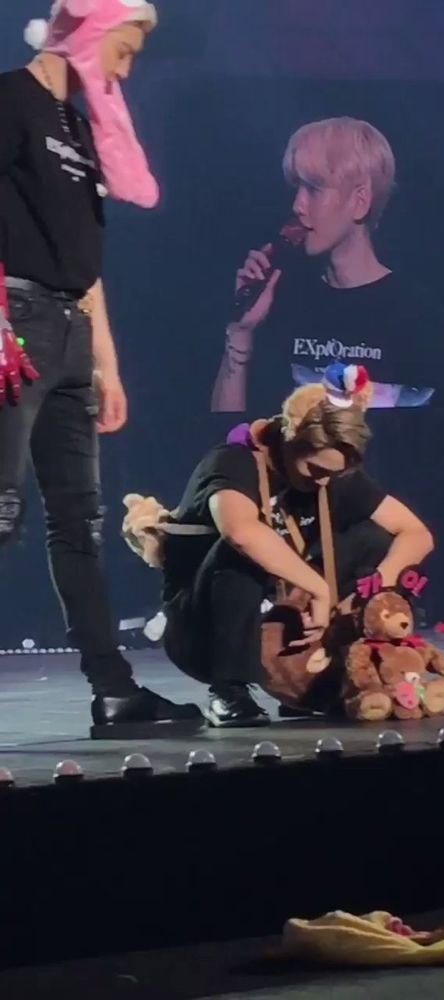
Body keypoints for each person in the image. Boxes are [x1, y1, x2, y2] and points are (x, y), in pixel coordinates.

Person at [0, 0, 201, 732]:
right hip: (14, 324)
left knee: (79, 522)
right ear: (88, 34)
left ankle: (113, 691)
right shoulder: (10, 99)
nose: (126, 69)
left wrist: (106, 364)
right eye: (124, 50)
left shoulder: (77, 128)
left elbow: (86, 262)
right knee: (2, 510)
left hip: (70, 334)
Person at [126, 364, 434, 727]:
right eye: (314, 470)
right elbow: (241, 533)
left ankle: (320, 680)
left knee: (375, 540)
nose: (323, 482)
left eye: (333, 474)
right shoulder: (232, 463)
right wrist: (318, 588)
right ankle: (229, 691)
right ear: (290, 440)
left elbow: (416, 534)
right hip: (203, 629)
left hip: (280, 617)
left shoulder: (330, 473)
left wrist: (373, 586)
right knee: (242, 552)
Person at [211, 116, 440, 426]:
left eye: (314, 189)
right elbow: (229, 438)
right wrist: (241, 333)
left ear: (360, 202)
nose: (297, 205)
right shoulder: (280, 302)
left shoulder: (415, 314)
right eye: (297, 188)